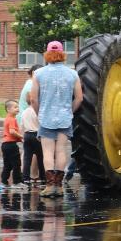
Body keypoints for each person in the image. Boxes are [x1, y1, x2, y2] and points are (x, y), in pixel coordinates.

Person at [29, 41, 83, 198]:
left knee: (47, 152)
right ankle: (58, 186)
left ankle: (50, 185)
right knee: (61, 150)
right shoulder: (72, 74)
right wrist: (69, 112)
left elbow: (33, 99)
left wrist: (40, 113)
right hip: (65, 118)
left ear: (47, 53)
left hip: (46, 118)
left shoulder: (38, 74)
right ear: (62, 54)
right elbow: (79, 98)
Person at [20, 103, 44, 189]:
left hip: (27, 134)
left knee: (27, 158)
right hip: (37, 134)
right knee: (40, 158)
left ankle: (25, 178)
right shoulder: (38, 111)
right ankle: (43, 178)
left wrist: (23, 136)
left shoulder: (25, 112)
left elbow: (22, 125)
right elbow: (41, 123)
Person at [0, 99, 23, 188]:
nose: (17, 109)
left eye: (18, 107)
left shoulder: (7, 118)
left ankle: (4, 181)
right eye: (15, 107)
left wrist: (19, 140)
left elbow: (9, 133)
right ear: (8, 109)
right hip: (11, 145)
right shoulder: (12, 119)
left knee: (7, 164)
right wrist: (21, 136)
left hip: (5, 145)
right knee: (16, 163)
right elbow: (12, 132)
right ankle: (16, 182)